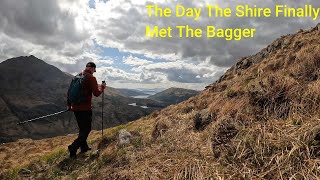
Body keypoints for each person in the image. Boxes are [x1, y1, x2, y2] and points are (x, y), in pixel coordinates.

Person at [67, 62, 106, 158]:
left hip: (75, 108)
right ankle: (73, 147)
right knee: (87, 129)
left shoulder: (77, 76)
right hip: (85, 108)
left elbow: (69, 92)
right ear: (92, 68)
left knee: (82, 129)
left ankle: (84, 147)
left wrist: (69, 105)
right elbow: (96, 93)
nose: (94, 72)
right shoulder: (91, 78)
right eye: (94, 70)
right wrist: (102, 87)